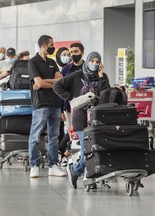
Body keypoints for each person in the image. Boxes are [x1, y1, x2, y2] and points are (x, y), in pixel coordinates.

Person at [53, 51, 110, 189]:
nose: (95, 64)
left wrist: (101, 77)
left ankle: (90, 176)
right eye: (92, 61)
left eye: (97, 62)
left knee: (98, 150)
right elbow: (57, 86)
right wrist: (71, 98)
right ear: (87, 61)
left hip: (97, 118)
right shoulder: (77, 76)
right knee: (88, 152)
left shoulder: (103, 77)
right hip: (81, 119)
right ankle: (75, 170)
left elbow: (105, 96)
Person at [28, 35, 66, 178]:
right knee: (35, 136)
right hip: (41, 105)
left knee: (54, 137)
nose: (53, 47)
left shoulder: (52, 62)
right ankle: (34, 165)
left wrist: (44, 82)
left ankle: (53, 165)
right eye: (51, 44)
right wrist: (51, 81)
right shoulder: (33, 62)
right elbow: (40, 83)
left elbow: (59, 81)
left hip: (55, 104)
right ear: (44, 46)